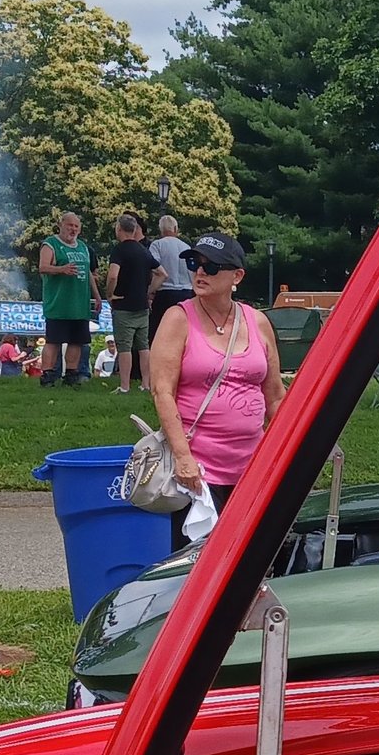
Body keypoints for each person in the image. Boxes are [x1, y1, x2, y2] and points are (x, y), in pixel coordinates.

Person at [146, 231, 284, 546]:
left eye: (210, 267)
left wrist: (288, 452)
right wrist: (183, 457)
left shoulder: (257, 322)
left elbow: (275, 395)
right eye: (194, 263)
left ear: (237, 276)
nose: (199, 272)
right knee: (198, 561)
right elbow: (162, 391)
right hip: (198, 471)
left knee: (253, 557)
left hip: (253, 468)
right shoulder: (178, 318)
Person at [36, 211, 96, 386]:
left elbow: (89, 273)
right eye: (70, 225)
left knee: (77, 341)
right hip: (59, 303)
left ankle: (71, 374)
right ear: (60, 225)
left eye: (76, 226)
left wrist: (97, 296)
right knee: (54, 341)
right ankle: (47, 375)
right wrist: (61, 269)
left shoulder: (83, 247)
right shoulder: (51, 244)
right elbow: (43, 267)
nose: (73, 229)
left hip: (80, 303)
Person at [102, 212, 158, 394]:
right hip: (142, 305)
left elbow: (113, 275)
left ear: (119, 229)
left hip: (123, 305)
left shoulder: (119, 250)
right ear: (134, 230)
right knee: (143, 345)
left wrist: (110, 294)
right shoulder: (144, 251)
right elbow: (162, 273)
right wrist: (148, 291)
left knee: (124, 346)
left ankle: (125, 385)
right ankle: (146, 384)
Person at [147, 215, 191, 341]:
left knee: (159, 333)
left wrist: (150, 291)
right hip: (186, 293)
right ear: (176, 229)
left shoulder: (157, 245)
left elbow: (155, 269)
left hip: (165, 294)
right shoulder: (186, 247)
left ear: (161, 229)